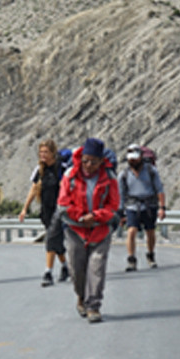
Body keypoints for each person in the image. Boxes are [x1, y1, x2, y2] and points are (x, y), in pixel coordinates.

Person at [57, 137, 120, 323]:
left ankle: (93, 306)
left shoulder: (109, 178)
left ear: (101, 161)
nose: (88, 164)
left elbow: (114, 205)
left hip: (100, 230)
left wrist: (97, 216)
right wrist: (80, 217)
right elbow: (63, 203)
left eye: (93, 161)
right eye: (85, 160)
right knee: (77, 270)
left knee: (97, 268)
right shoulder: (70, 175)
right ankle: (80, 297)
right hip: (75, 230)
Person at [19, 139, 70, 287]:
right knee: (56, 242)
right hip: (46, 211)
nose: (43, 154)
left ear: (53, 152)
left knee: (50, 239)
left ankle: (48, 272)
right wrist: (25, 208)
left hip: (60, 210)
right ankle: (66, 267)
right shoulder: (40, 169)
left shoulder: (61, 167)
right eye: (41, 152)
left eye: (46, 152)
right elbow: (34, 189)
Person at [118, 144, 166, 270]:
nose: (133, 161)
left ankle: (150, 255)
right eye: (130, 159)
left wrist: (162, 207)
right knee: (131, 231)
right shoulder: (123, 174)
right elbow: (121, 194)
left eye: (135, 158)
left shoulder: (151, 171)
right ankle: (131, 259)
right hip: (132, 206)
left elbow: (159, 189)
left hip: (149, 205)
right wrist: (120, 212)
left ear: (140, 157)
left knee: (150, 231)